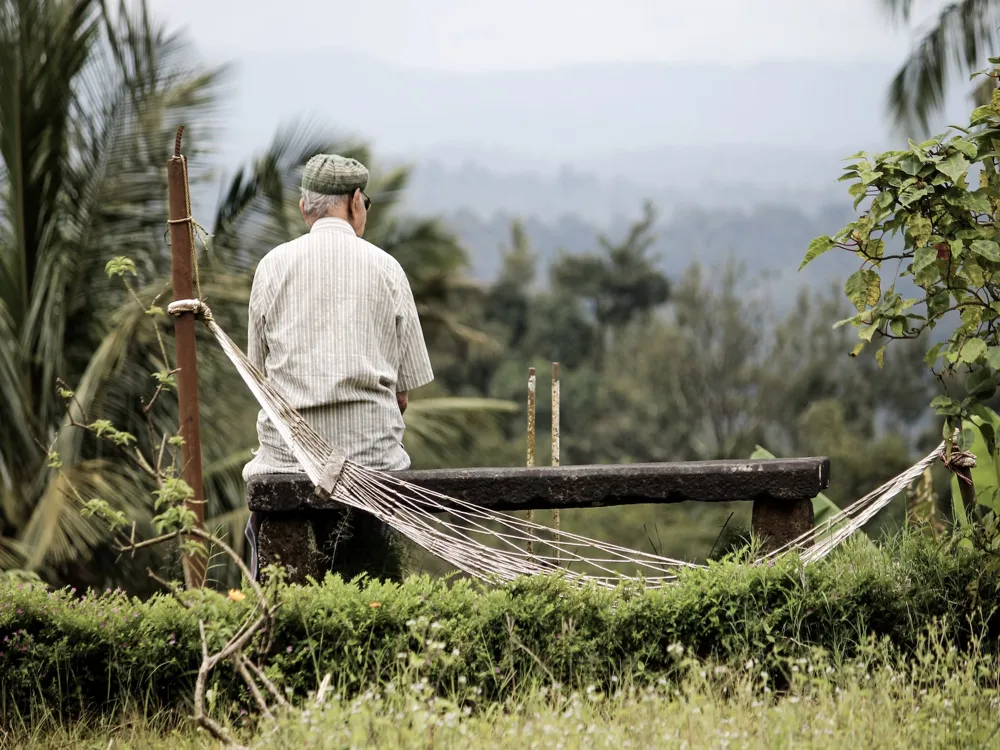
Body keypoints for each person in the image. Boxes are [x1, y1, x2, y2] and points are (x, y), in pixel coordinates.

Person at [241, 153, 434, 578]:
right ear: (354, 202)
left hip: (286, 463)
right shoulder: (387, 268)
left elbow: (258, 377)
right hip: (371, 465)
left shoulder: (271, 267)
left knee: (259, 544)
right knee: (371, 571)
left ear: (303, 207)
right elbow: (403, 395)